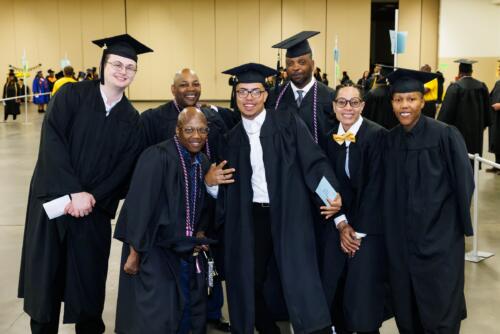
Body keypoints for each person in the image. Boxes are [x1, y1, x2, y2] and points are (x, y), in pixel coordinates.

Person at [18, 34, 152, 334]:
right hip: (52, 205)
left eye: (130, 67)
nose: (123, 71)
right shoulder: (71, 96)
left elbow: (123, 171)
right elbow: (51, 143)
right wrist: (73, 192)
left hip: (93, 213)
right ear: (103, 64)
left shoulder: (132, 119)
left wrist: (91, 198)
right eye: (117, 63)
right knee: (45, 286)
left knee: (88, 288)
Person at [216, 62, 342, 334]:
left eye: (255, 91)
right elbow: (224, 185)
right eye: (242, 92)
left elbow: (313, 162)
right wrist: (210, 182)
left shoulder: (286, 123)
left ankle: (318, 329)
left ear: (265, 95)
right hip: (253, 217)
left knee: (300, 275)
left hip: (289, 211)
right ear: (235, 96)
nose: (248, 98)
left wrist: (330, 196)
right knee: (247, 278)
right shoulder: (230, 138)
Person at [114, 107, 234, 334]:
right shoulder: (156, 156)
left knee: (187, 311)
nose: (196, 136)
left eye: (201, 130)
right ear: (178, 130)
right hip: (155, 249)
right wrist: (134, 252)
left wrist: (202, 228)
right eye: (189, 130)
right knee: (157, 314)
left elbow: (203, 206)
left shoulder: (203, 160)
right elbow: (140, 207)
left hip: (188, 250)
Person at [139, 68, 234, 332]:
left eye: (195, 83)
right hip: (172, 212)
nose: (190, 89)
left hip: (208, 199)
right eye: (183, 85)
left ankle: (212, 311)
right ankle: (180, 316)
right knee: (179, 270)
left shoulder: (215, 117)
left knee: (210, 261)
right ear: (173, 89)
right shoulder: (155, 119)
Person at [384, 68, 474, 334]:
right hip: (401, 247)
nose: (404, 106)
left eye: (411, 99)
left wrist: (451, 230)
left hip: (439, 245)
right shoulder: (389, 142)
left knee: (440, 314)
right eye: (398, 100)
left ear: (423, 101)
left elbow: (463, 186)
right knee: (407, 314)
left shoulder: (445, 135)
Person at [323, 83, 387, 334]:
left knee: (363, 297)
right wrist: (341, 223)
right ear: (334, 106)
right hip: (338, 225)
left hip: (368, 229)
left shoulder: (378, 136)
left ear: (362, 105)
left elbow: (375, 189)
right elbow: (324, 183)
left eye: (353, 102)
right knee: (335, 288)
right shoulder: (329, 139)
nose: (347, 108)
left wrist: (355, 231)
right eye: (341, 102)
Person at [271, 31, 335, 147]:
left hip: (319, 162)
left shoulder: (331, 97)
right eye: (290, 63)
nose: (295, 68)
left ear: (313, 64)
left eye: (302, 62)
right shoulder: (274, 96)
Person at [438, 59, 491, 156]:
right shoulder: (482, 86)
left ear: (459, 72)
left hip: (458, 131)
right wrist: (482, 125)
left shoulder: (455, 87)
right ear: (472, 72)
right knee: (474, 157)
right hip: (476, 132)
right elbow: (487, 110)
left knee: (460, 156)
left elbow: (446, 112)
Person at [487, 80, 500, 174]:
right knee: (496, 140)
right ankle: (497, 165)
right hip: (495, 117)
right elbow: (490, 96)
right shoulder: (498, 82)